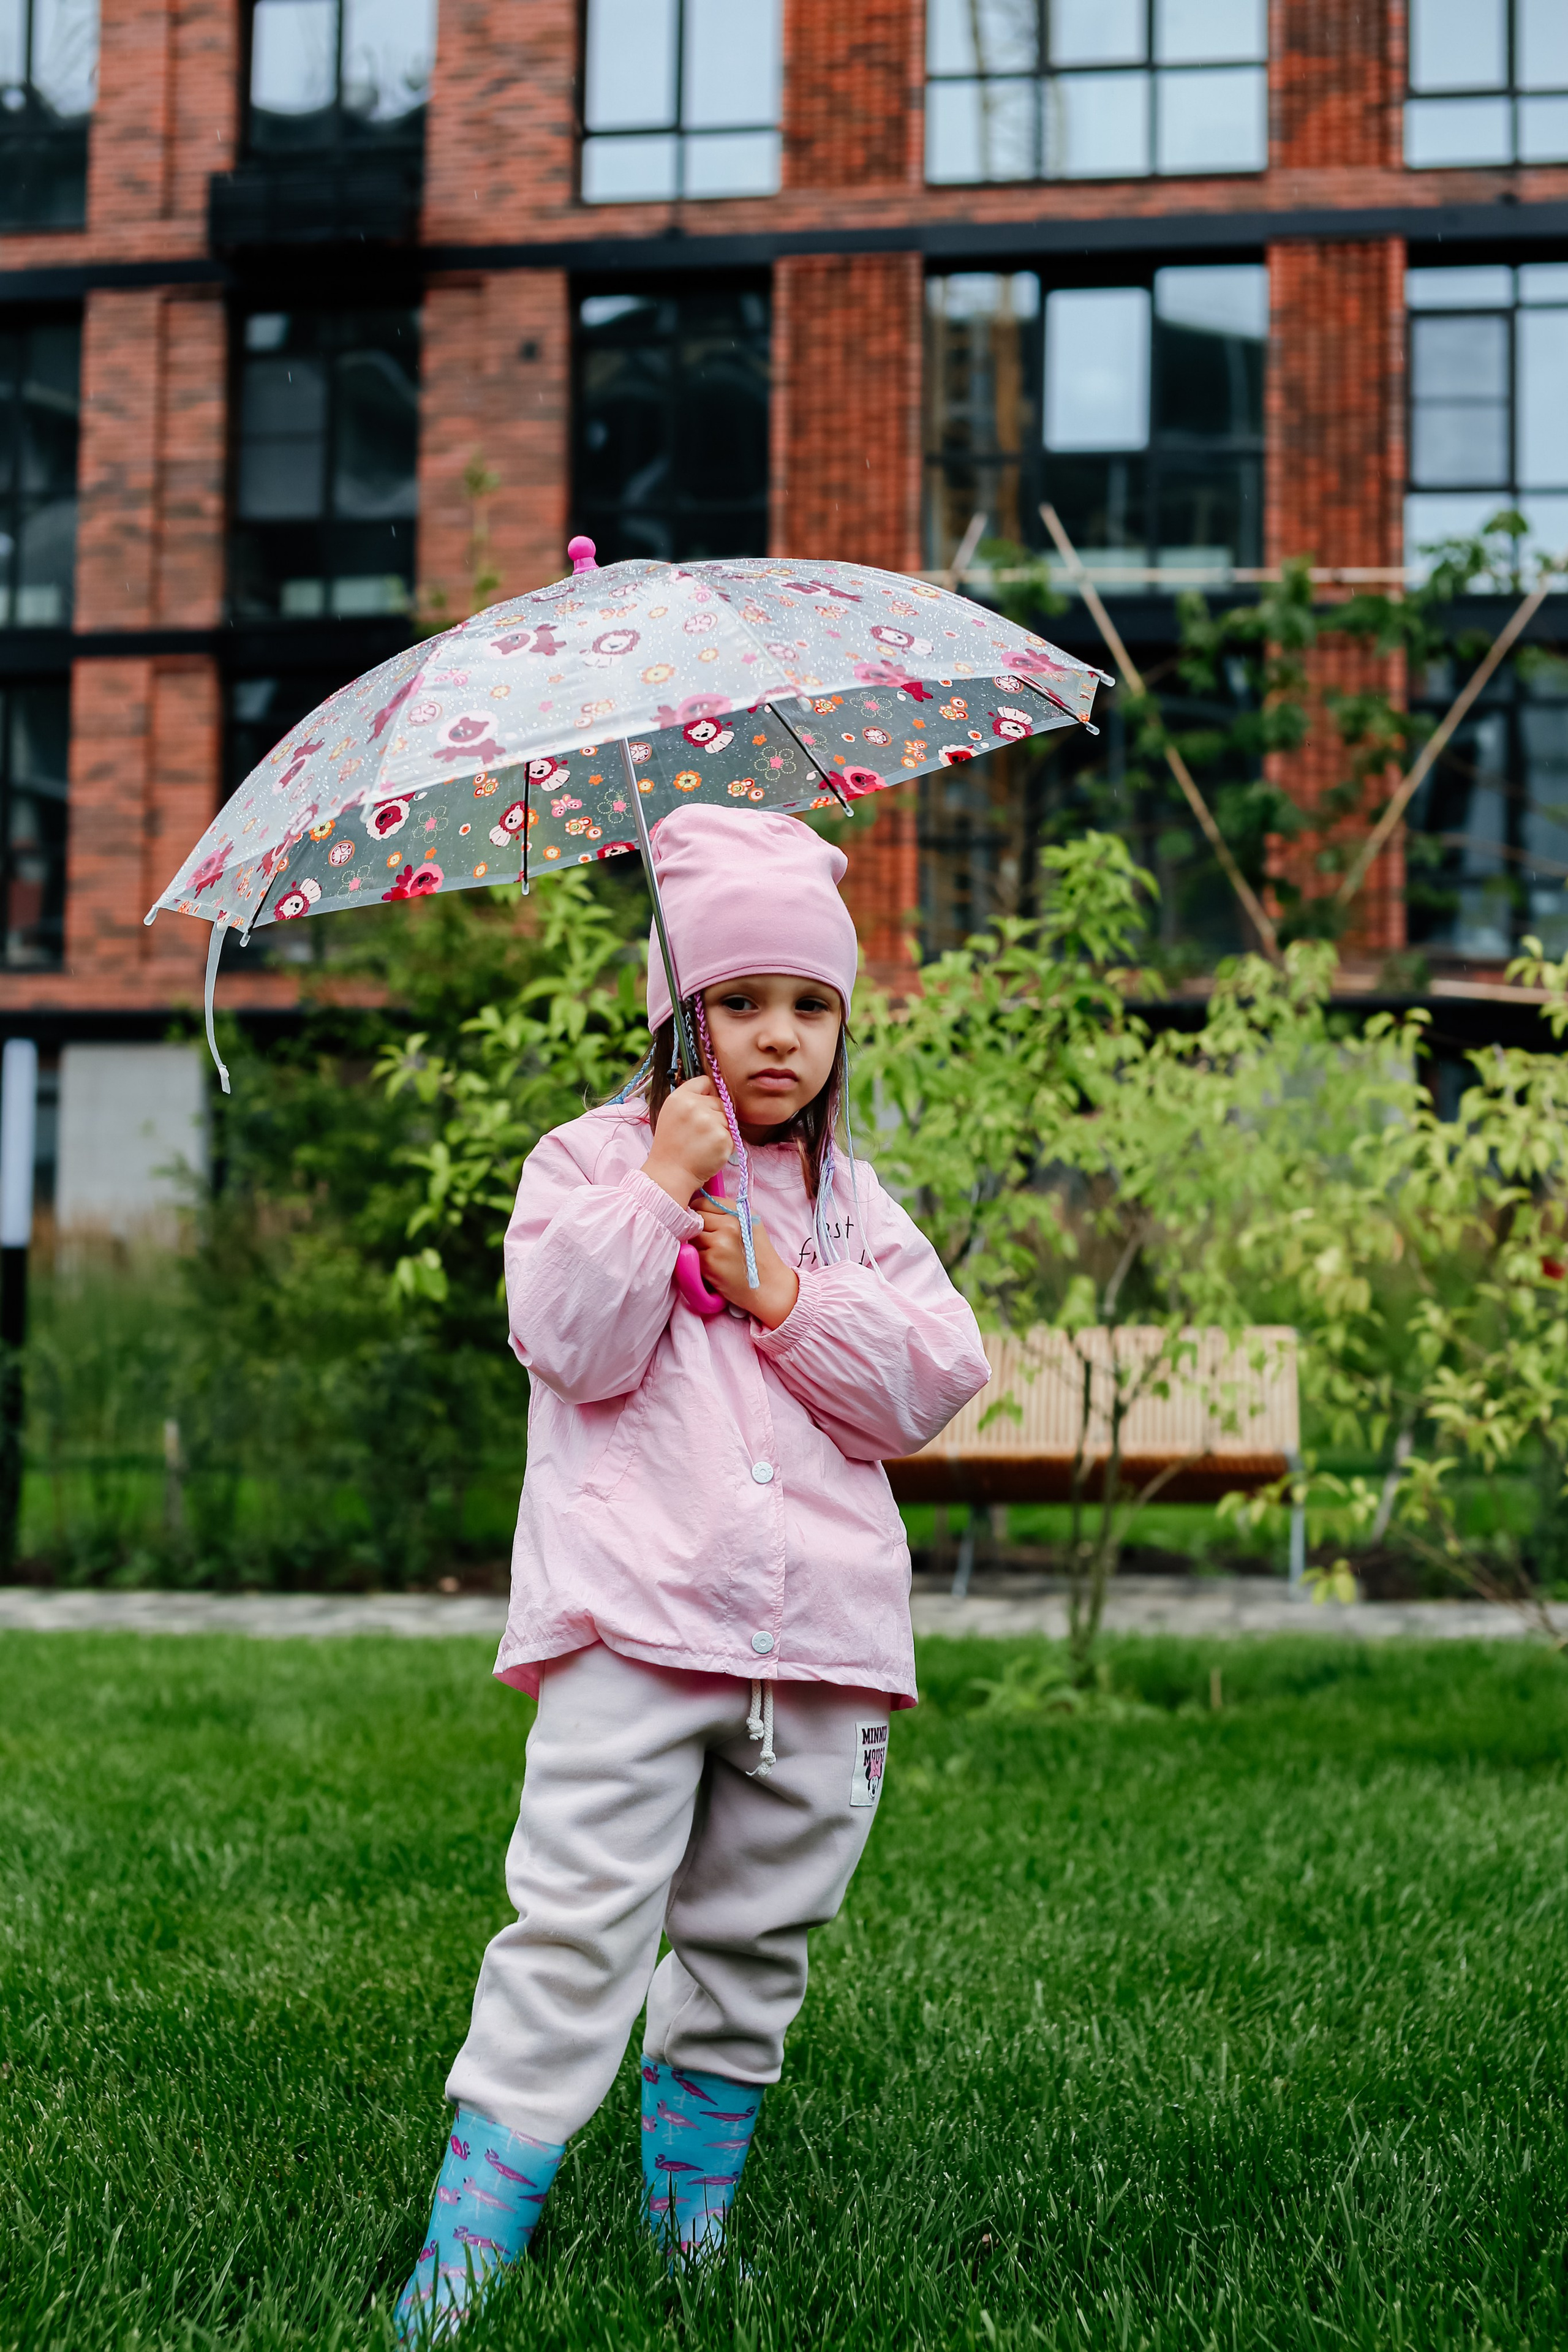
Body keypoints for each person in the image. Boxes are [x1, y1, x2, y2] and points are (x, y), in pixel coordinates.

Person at [395, 804, 989, 2339]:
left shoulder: (855, 1210)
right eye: (735, 1003)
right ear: (674, 1015)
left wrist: (782, 1292)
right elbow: (571, 1344)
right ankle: (471, 2237)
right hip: (634, 1630)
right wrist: (658, 1190)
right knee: (581, 1918)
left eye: (808, 1006)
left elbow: (925, 1385)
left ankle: (690, 2219)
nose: (776, 1038)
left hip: (823, 1647)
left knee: (752, 1935)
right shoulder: (586, 1162)